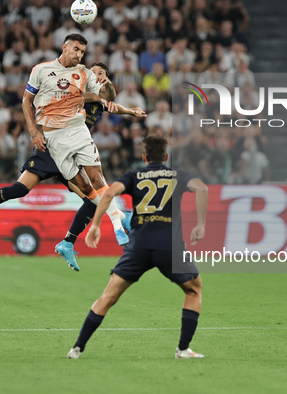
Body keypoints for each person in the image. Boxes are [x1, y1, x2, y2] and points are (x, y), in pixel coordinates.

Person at [0, 61, 146, 261]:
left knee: (91, 200)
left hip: (72, 152)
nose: (95, 74)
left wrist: (130, 111)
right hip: (51, 148)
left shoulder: (99, 99)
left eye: (100, 73)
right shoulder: (72, 86)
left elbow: (112, 101)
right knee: (19, 189)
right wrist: (101, 94)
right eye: (93, 71)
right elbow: (83, 96)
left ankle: (68, 243)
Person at [66, 135, 208, 360]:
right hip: (169, 247)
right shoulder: (177, 175)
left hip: (139, 246)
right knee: (194, 289)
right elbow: (202, 189)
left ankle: (77, 348)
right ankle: (183, 349)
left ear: (144, 157)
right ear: (166, 157)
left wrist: (95, 225)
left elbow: (109, 193)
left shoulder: (134, 175)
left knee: (108, 296)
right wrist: (200, 225)